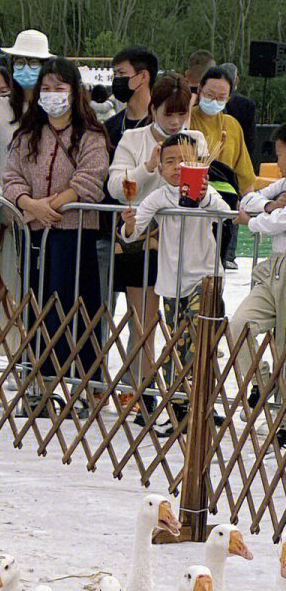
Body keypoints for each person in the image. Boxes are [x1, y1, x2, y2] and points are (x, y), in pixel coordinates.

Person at [2, 55, 109, 409]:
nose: (51, 95)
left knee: (76, 306)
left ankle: (82, 386)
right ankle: (39, 386)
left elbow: (91, 178)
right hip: (35, 234)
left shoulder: (91, 135)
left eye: (58, 88)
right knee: (38, 307)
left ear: (74, 92)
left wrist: (55, 204)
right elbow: (11, 177)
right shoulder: (27, 135)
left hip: (75, 235)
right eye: (45, 89)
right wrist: (31, 205)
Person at [107, 73, 205, 415]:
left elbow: (201, 188)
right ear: (153, 109)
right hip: (141, 241)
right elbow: (116, 188)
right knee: (144, 322)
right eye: (168, 113)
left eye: (182, 114)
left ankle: (183, 395)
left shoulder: (195, 140)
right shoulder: (132, 139)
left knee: (184, 323)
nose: (176, 121)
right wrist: (148, 168)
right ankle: (142, 392)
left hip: (182, 242)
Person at [120, 134, 232, 403]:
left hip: (206, 278)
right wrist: (129, 224)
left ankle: (200, 399)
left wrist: (204, 197)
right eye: (170, 161)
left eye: (185, 160)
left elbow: (225, 214)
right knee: (177, 341)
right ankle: (178, 399)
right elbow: (133, 232)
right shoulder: (159, 197)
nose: (178, 167)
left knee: (197, 336)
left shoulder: (209, 194)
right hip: (172, 283)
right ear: (159, 168)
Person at [0, 30, 51, 358]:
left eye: (33, 62)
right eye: (20, 62)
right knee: (0, 289)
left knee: (41, 293)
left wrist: (42, 207)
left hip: (47, 218)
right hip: (5, 219)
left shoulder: (54, 108)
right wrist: (3, 205)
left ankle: (35, 362)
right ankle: (0, 361)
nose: (26, 68)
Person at [232, 124, 286, 409]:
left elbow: (282, 220)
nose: (277, 163)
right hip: (274, 268)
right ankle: (261, 382)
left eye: (280, 154)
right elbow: (249, 198)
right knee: (239, 325)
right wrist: (268, 206)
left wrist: (253, 221)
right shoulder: (283, 183)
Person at [190, 65, 257, 269]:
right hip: (192, 203)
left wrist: (250, 206)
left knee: (215, 272)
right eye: (210, 94)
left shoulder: (232, 125)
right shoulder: (187, 118)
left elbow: (244, 173)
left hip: (223, 206)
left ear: (228, 98)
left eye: (221, 97)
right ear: (200, 90)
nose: (215, 100)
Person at [105, 46, 157, 152]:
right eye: (115, 74)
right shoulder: (109, 127)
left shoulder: (159, 126)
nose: (117, 79)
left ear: (143, 76)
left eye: (122, 73)